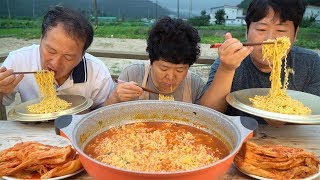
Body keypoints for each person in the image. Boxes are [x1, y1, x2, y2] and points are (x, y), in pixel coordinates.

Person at [200, 0, 320, 124]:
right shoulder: (230, 59)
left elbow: (314, 117)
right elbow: (207, 114)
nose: (270, 39)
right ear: (247, 30)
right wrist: (226, 69)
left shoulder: (310, 63)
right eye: (261, 29)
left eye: (281, 31)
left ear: (295, 34)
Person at [0, 6, 114, 110]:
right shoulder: (18, 60)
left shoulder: (98, 73)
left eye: (68, 57)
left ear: (82, 55)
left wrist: (114, 99)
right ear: (41, 38)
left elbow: (104, 113)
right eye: (51, 51)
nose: (55, 63)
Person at [105, 17, 204, 105]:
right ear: (151, 61)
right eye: (164, 68)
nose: (170, 77)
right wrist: (115, 98)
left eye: (180, 70)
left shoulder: (195, 85)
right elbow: (106, 117)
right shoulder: (132, 75)